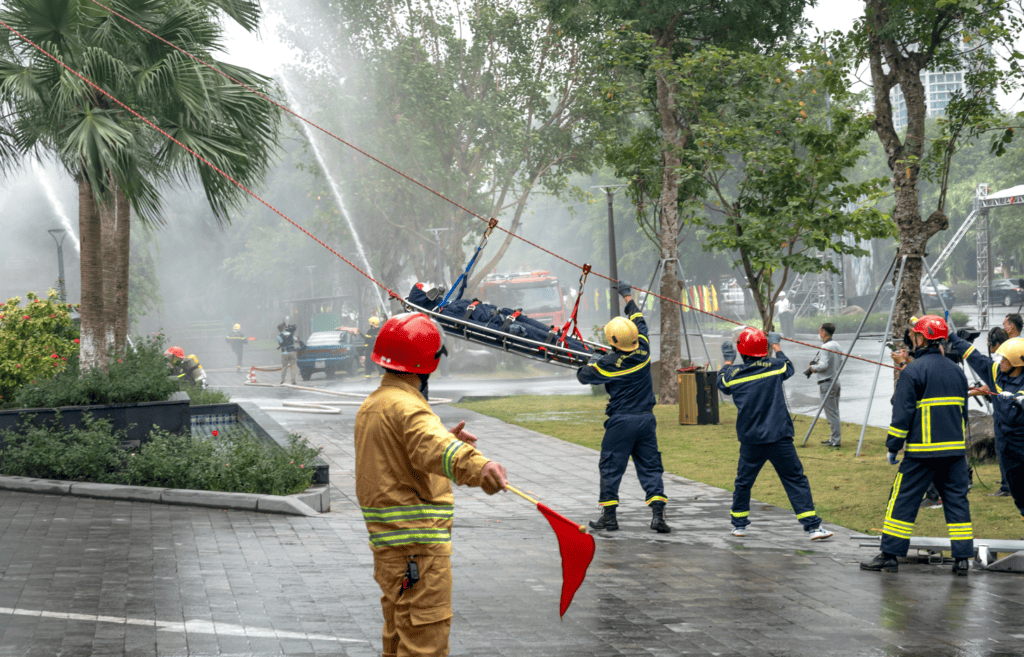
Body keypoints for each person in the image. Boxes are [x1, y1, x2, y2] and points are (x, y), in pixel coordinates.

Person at [354, 312, 508, 657]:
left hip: (392, 555)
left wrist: (446, 438)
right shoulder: (409, 407)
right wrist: (480, 465)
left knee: (397, 638)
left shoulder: (373, 405)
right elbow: (433, 445)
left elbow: (402, 457)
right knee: (424, 645)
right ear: (427, 363)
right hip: (419, 555)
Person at [861, 315, 973, 576]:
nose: (912, 338)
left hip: (921, 453)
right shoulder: (957, 371)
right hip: (955, 453)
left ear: (922, 338)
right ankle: (962, 560)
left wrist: (893, 446)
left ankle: (889, 555)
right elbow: (963, 414)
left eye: (914, 335)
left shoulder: (913, 371)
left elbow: (902, 416)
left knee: (902, 501)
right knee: (957, 502)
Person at [718, 327, 834, 541]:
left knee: (743, 483)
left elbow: (722, 384)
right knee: (795, 479)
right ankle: (813, 528)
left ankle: (738, 526)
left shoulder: (734, 375)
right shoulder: (775, 367)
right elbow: (789, 367)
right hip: (779, 436)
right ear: (764, 350)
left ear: (741, 352)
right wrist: (777, 346)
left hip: (751, 440)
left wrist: (727, 361)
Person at [576, 280, 670, 534]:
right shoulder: (645, 348)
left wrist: (593, 361)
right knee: (650, 466)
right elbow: (639, 319)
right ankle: (658, 516)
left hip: (622, 423)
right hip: (646, 421)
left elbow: (584, 376)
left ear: (615, 342)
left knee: (610, 465)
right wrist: (627, 295)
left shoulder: (611, 364)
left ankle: (609, 517)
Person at [950, 330, 1024, 523]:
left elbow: (1017, 406)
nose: (1001, 362)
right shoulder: (995, 371)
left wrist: (1018, 399)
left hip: (1022, 444)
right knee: (1016, 489)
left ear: (1017, 362)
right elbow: (974, 356)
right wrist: (953, 338)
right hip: (1005, 446)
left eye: (1005, 360)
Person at [805, 323, 842, 447]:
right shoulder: (837, 345)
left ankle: (836, 441)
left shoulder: (825, 346)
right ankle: (834, 438)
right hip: (835, 381)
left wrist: (812, 368)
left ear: (824, 333)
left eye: (819, 331)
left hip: (827, 383)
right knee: (834, 412)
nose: (819, 333)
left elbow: (823, 365)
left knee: (831, 414)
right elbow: (839, 363)